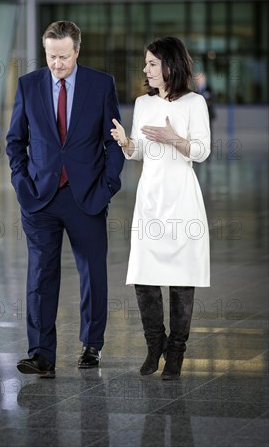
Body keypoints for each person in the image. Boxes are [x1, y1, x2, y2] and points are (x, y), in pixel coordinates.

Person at [6, 20, 125, 378]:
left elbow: (114, 140)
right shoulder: (28, 85)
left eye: (63, 56)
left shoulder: (100, 85)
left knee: (93, 271)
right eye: (50, 56)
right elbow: (15, 142)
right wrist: (22, 183)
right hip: (40, 198)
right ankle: (41, 353)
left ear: (77, 51)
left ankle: (92, 345)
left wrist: (108, 185)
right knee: (41, 275)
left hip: (86, 195)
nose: (56, 63)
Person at [111, 37, 211, 380]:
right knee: (143, 275)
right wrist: (126, 142)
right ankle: (155, 345)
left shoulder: (194, 103)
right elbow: (139, 151)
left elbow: (202, 151)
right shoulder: (143, 104)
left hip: (182, 198)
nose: (146, 69)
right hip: (150, 197)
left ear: (171, 65)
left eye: (152, 63)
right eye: (146, 63)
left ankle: (177, 353)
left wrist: (175, 139)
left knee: (182, 278)